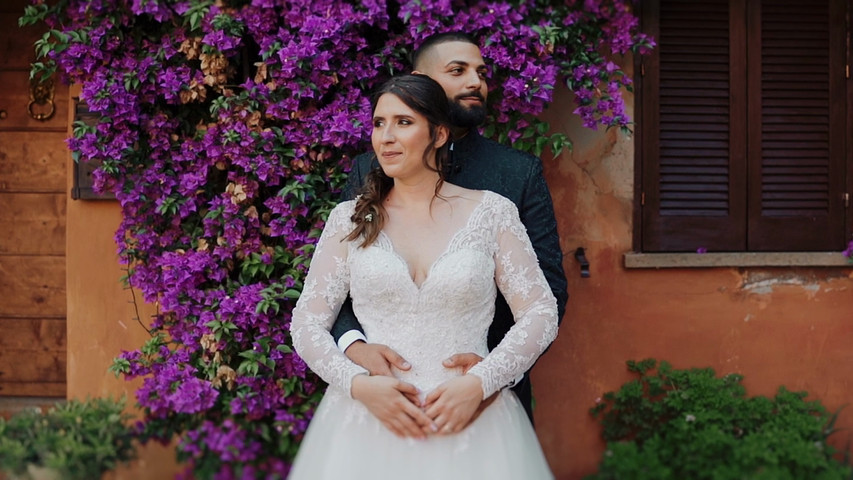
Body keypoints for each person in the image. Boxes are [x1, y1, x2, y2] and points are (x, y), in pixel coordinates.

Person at [288, 74, 558, 479]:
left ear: (438, 133)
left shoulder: (492, 212)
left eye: (403, 122)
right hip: (368, 424)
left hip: (471, 422)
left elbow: (540, 310)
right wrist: (358, 385)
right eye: (379, 123)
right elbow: (307, 322)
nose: (386, 137)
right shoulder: (349, 218)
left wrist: (484, 381)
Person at [331, 31, 569, 434]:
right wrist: (354, 347)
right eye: (457, 71)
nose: (475, 82)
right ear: (417, 82)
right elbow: (337, 284)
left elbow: (548, 291)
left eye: (481, 72)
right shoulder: (368, 170)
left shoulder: (517, 173)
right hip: (382, 399)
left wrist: (490, 377)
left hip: (481, 404)